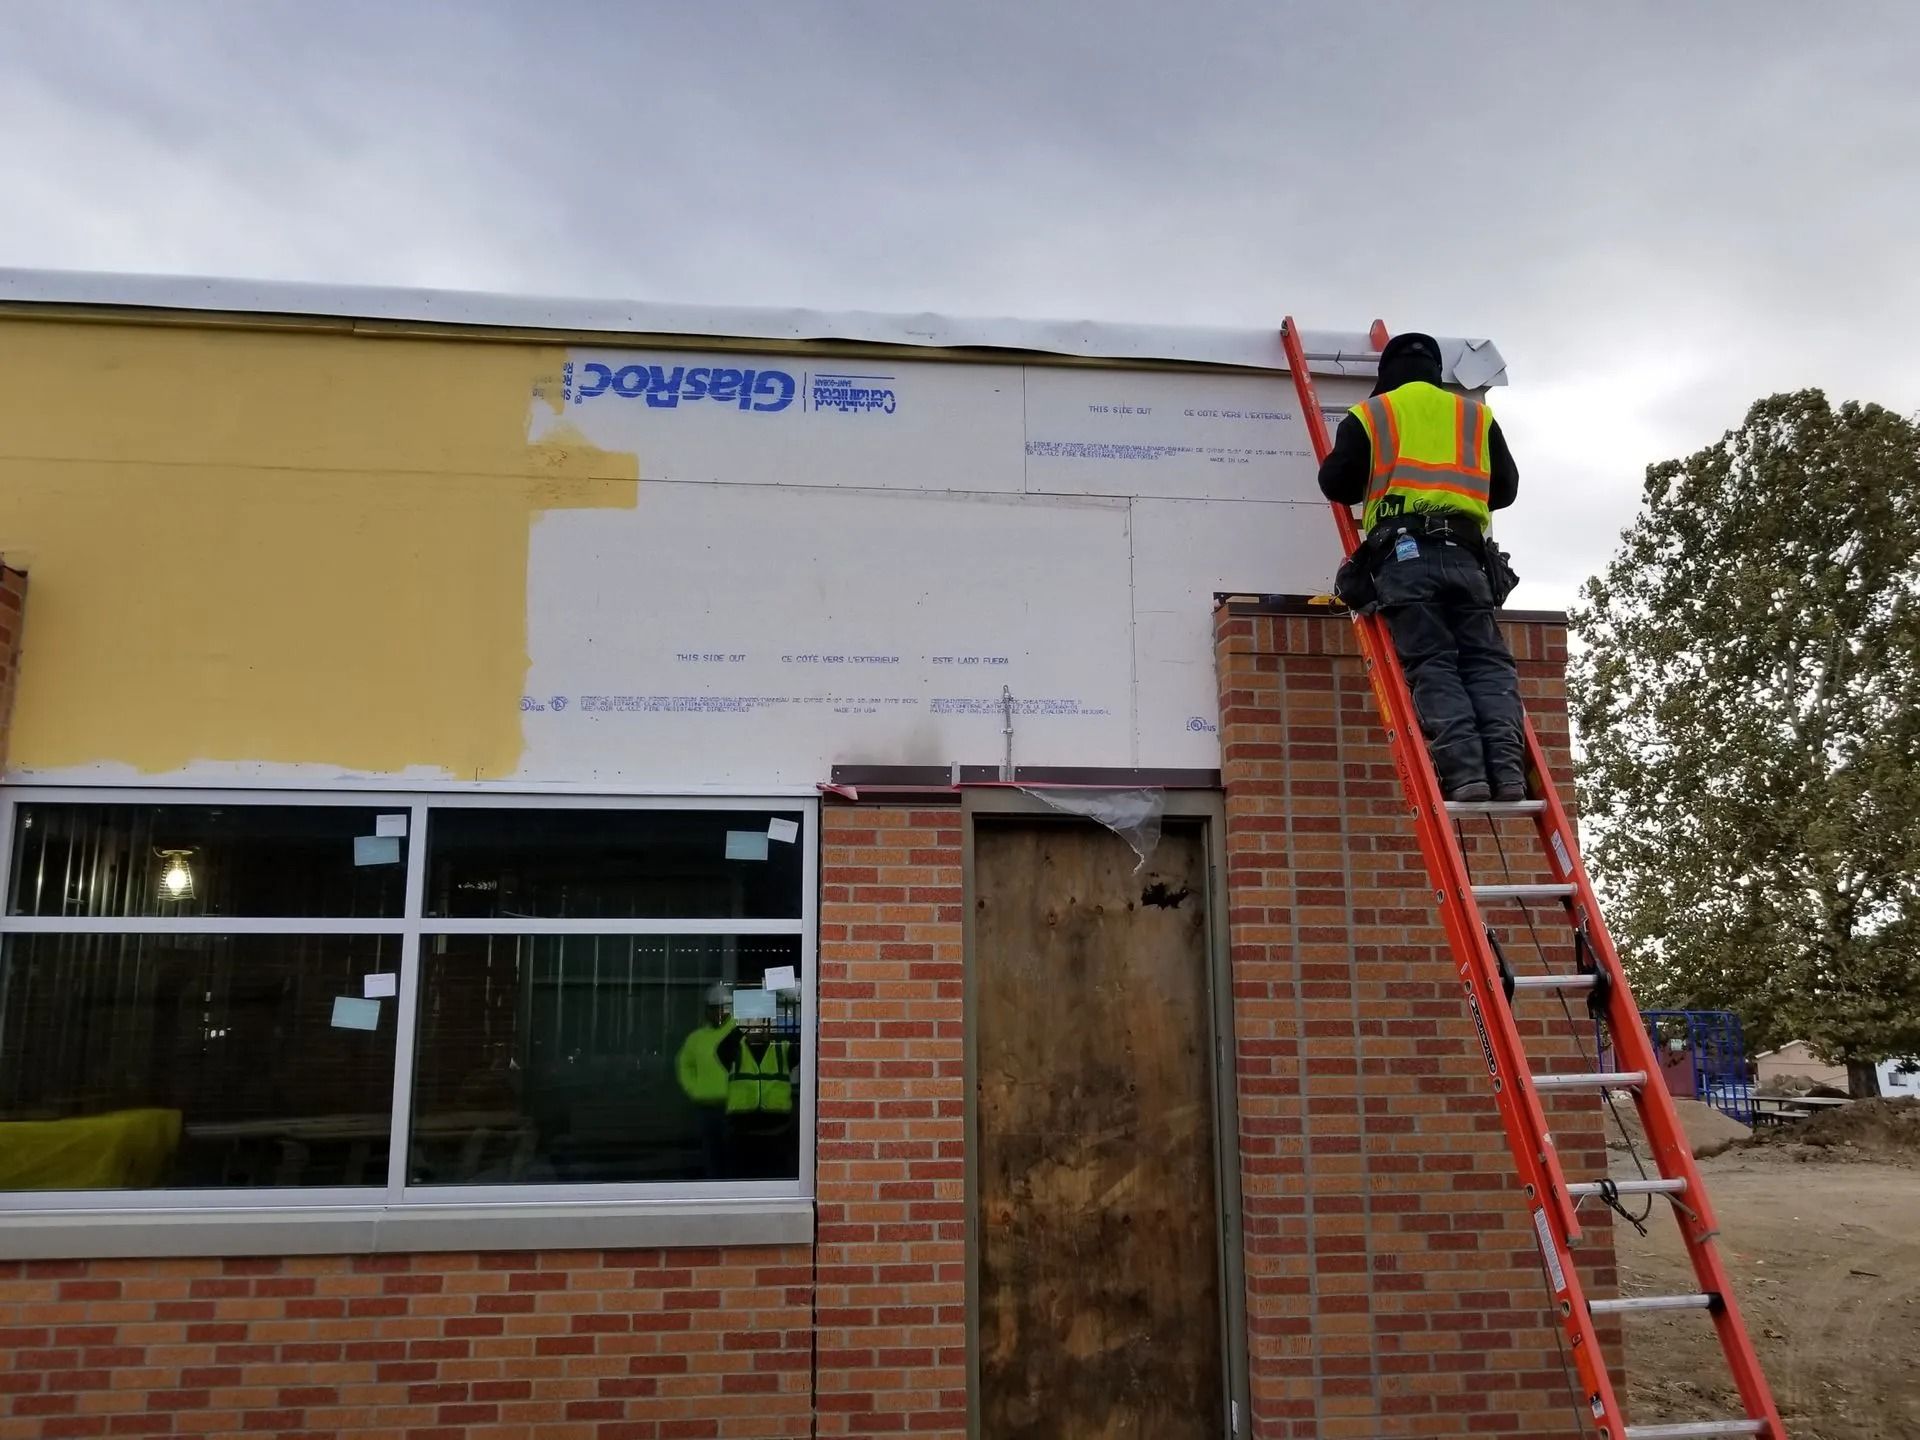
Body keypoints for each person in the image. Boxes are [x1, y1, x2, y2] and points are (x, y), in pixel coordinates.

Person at [1316, 331, 1526, 802]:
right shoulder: (1475, 416)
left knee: (1434, 664)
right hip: (1468, 560)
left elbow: (1337, 484)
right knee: (1487, 666)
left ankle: (1467, 774)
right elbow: (1506, 490)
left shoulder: (1373, 415)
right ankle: (1508, 774)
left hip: (1406, 557)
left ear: (1386, 375)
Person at [675, 985, 736, 1176]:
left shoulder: (737, 1033)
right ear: (707, 1010)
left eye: (722, 1007)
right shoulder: (696, 1038)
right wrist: (693, 1089)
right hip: (706, 1107)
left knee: (733, 1155)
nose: (718, 1012)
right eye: (714, 1007)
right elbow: (683, 1065)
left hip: (733, 1107)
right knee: (711, 1155)